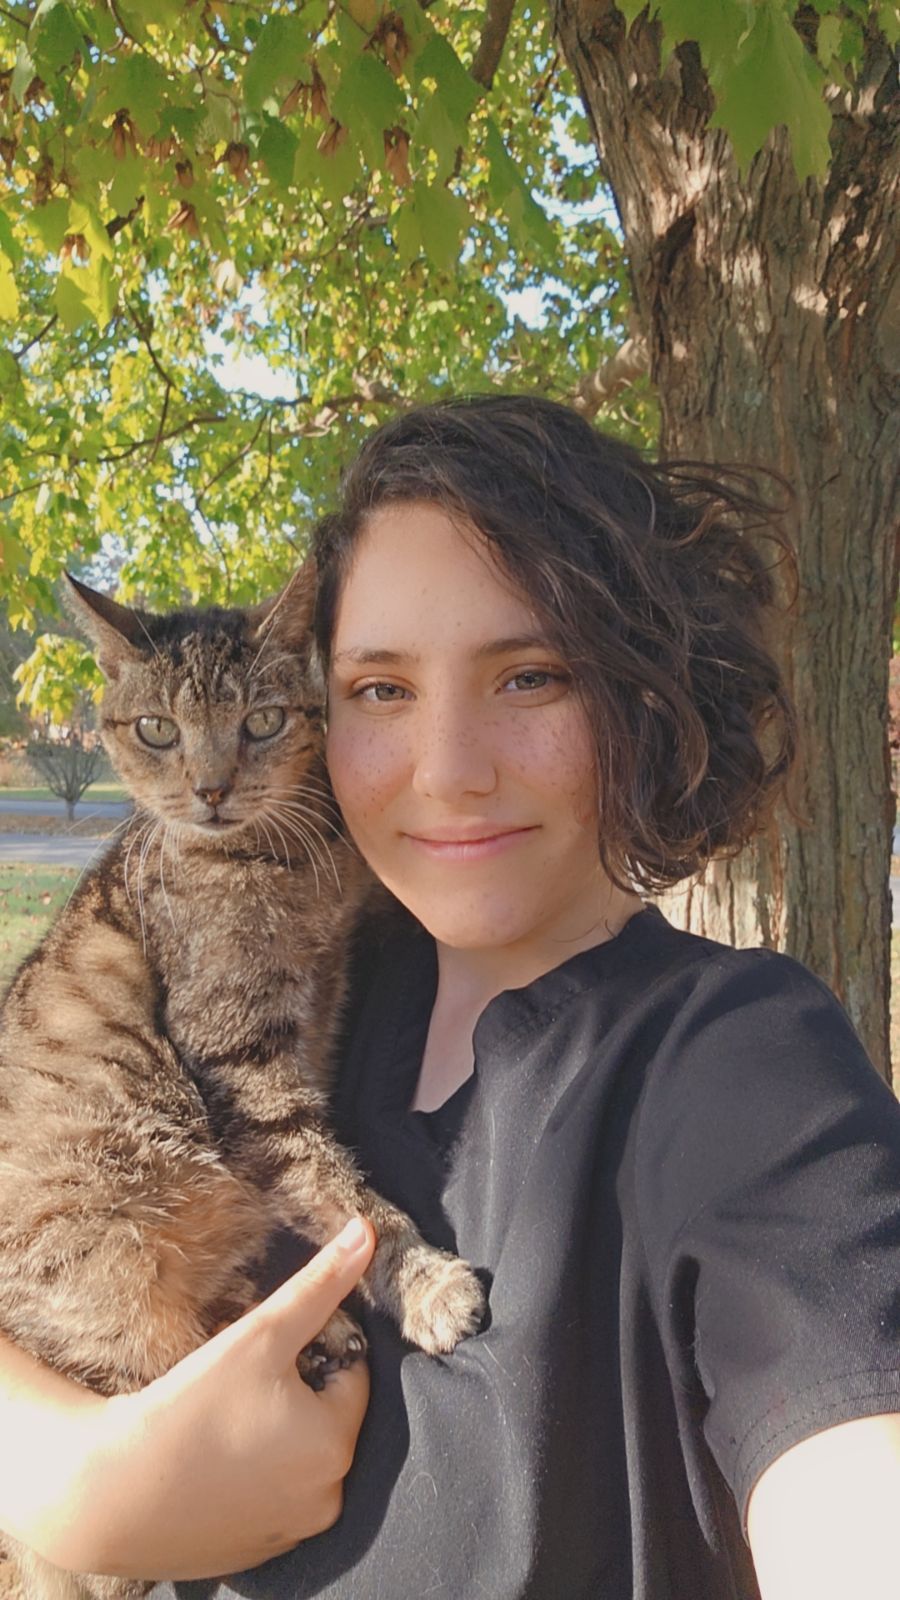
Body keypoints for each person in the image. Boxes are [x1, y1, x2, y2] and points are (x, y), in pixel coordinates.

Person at [1, 394, 899, 1600]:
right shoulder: (325, 952)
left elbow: (856, 1487)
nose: (447, 770)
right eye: (380, 689)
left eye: (529, 676)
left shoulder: (740, 1075)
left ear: (645, 693)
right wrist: (66, 1475)